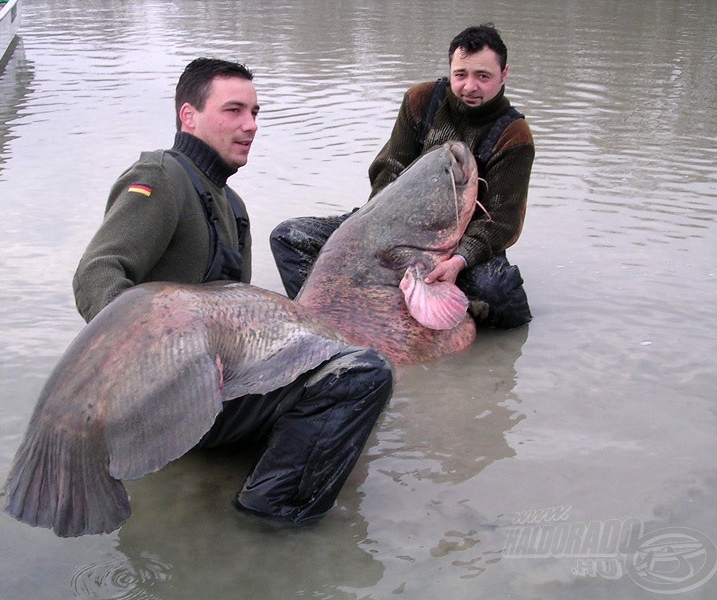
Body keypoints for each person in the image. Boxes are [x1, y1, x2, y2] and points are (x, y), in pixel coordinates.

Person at [73, 58, 393, 525]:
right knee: (365, 376)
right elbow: (96, 272)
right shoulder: (161, 179)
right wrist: (162, 357)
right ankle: (269, 517)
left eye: (256, 113)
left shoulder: (230, 203)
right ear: (189, 116)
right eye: (234, 110)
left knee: (340, 355)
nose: (250, 126)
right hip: (167, 398)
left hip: (211, 388)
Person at [270, 24, 534, 329]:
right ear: (450, 70)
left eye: (483, 76)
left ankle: (447, 327)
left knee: (499, 295)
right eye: (460, 74)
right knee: (288, 236)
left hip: (464, 241)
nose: (469, 86)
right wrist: (374, 237)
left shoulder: (514, 135)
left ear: (504, 75)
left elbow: (503, 221)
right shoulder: (420, 100)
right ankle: (325, 318)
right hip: (390, 224)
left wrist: (459, 260)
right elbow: (388, 169)